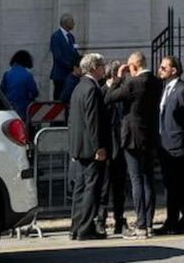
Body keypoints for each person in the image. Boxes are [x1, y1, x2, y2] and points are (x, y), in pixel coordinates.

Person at [104, 51, 161, 240]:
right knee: (148, 180)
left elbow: (110, 97)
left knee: (136, 179)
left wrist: (119, 78)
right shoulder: (155, 81)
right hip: (151, 135)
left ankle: (141, 224)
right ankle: (149, 223)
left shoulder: (133, 83)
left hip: (133, 137)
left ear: (134, 66)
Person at [66, 52, 111, 241]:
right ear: (94, 67)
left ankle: (75, 227)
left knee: (80, 189)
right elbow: (92, 121)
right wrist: (98, 147)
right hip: (91, 148)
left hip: (80, 147)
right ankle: (85, 228)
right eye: (102, 65)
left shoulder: (79, 87)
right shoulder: (92, 88)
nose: (104, 68)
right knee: (91, 188)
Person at [156, 55, 184, 235]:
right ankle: (171, 220)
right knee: (171, 185)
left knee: (182, 185)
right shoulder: (166, 89)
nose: (160, 69)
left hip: (178, 144)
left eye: (164, 67)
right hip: (165, 145)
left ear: (174, 71)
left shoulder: (182, 90)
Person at [101, 60, 129, 236]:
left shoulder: (123, 92)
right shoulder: (102, 91)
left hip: (121, 144)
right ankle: (101, 219)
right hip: (106, 145)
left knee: (120, 186)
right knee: (104, 186)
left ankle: (119, 218)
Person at [0, 50, 40, 124]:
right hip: (24, 109)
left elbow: (2, 91)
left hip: (9, 108)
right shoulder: (28, 75)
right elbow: (35, 93)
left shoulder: (7, 74)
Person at [50, 14, 80, 100]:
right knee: (59, 96)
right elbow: (58, 56)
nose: (74, 23)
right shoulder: (56, 37)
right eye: (72, 21)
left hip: (70, 74)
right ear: (66, 23)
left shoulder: (71, 37)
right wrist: (71, 66)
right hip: (60, 74)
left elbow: (75, 52)